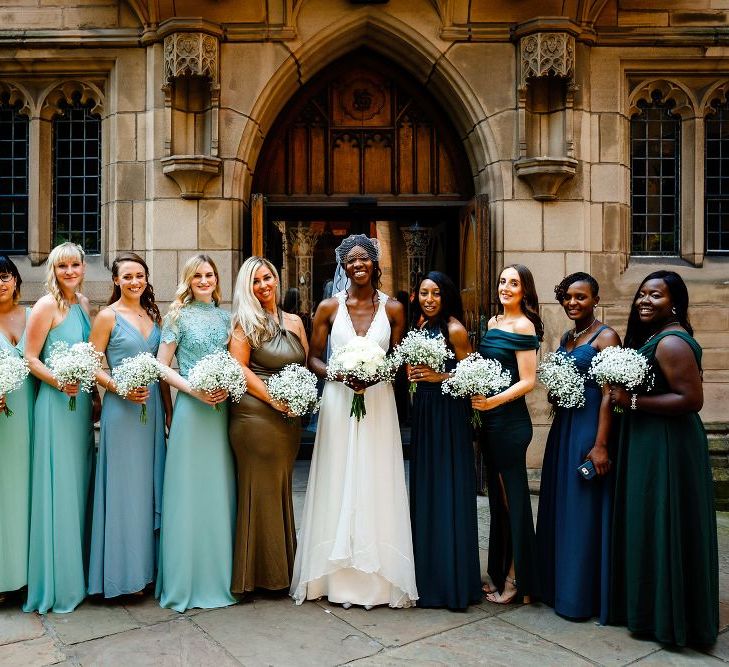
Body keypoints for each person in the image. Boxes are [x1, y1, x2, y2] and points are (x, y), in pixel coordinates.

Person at [290, 234, 418, 609]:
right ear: (343, 268)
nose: (358, 265)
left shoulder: (394, 309)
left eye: (364, 260)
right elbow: (312, 356)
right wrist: (339, 373)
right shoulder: (329, 307)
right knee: (337, 473)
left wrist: (378, 374)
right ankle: (331, 577)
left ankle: (378, 581)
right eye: (351, 261)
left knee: (375, 475)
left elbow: (398, 359)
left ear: (375, 265)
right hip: (338, 398)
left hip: (377, 401)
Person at [609, 270, 718, 646]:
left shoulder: (672, 343)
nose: (644, 301)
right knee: (650, 523)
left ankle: (672, 617)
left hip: (669, 445)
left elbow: (691, 400)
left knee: (665, 520)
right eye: (641, 294)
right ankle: (650, 609)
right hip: (649, 439)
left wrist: (632, 400)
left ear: (674, 302)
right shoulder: (655, 337)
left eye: (655, 295)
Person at [536, 272, 620, 622]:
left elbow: (610, 394)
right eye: (568, 297)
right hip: (564, 426)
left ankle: (579, 598)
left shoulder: (606, 338)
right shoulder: (569, 336)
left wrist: (601, 445)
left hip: (588, 429)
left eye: (581, 297)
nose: (573, 303)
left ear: (595, 300)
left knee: (582, 512)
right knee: (561, 506)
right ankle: (556, 587)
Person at [155, 254, 236, 612]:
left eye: (209, 275)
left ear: (217, 280)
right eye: (198, 276)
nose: (204, 280)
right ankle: (184, 580)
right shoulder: (177, 317)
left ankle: (218, 576)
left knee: (217, 488)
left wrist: (226, 387)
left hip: (220, 412)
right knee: (188, 492)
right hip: (192, 409)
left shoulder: (225, 317)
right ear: (188, 281)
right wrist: (192, 389)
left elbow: (235, 363)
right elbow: (161, 366)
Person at [88, 253, 168, 598]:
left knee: (149, 487)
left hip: (151, 415)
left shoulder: (152, 314)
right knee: (124, 491)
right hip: (122, 413)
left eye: (140, 276)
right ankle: (122, 576)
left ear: (147, 279)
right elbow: (91, 366)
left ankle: (148, 572)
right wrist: (119, 387)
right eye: (128, 277)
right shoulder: (107, 317)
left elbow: (162, 368)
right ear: (116, 282)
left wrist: (167, 410)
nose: (135, 282)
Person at [228, 257, 308, 596]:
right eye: (256, 282)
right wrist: (274, 400)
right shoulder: (244, 322)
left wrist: (298, 397)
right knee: (257, 491)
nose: (264, 286)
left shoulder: (294, 321)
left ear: (276, 279)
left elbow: (304, 360)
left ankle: (279, 572)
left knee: (279, 490)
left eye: (268, 278)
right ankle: (254, 577)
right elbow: (239, 369)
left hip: (289, 419)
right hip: (255, 415)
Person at [23, 242, 96, 614]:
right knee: (59, 489)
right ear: (54, 269)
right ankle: (58, 582)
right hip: (55, 405)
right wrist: (58, 382)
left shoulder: (83, 304)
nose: (70, 271)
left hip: (80, 404)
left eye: (75, 265)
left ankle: (78, 575)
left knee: (79, 487)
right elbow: (29, 357)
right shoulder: (45, 305)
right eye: (63, 266)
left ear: (84, 268)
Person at [407, 271, 481, 610]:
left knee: (447, 488)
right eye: (423, 293)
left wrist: (440, 376)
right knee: (427, 489)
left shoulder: (455, 328)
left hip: (448, 415)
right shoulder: (421, 327)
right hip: (425, 412)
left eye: (436, 293)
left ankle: (451, 583)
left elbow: (472, 377)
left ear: (447, 295)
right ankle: (427, 576)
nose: (429, 299)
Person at [473, 264, 542, 605]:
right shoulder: (493, 322)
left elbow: (528, 381)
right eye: (502, 281)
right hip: (490, 422)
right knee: (499, 502)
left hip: (511, 423)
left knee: (514, 501)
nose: (506, 287)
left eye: (513, 283)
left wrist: (492, 401)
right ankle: (500, 571)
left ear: (524, 291)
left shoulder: (524, 325)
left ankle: (519, 581)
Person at [0, 256, 34, 603]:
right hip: (1, 422)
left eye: (5, 276)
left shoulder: (31, 316)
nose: (1, 284)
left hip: (32, 415)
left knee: (28, 491)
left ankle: (26, 575)